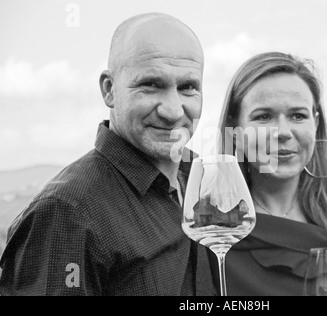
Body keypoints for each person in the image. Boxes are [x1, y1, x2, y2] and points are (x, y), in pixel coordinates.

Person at [0, 13, 215, 296]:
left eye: (188, 87)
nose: (173, 111)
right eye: (151, 84)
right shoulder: (68, 213)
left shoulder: (199, 175)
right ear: (109, 90)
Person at [217, 52, 327, 296]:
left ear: (316, 123)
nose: (283, 132)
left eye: (298, 116)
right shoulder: (211, 229)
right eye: (264, 116)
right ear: (234, 130)